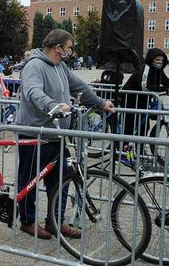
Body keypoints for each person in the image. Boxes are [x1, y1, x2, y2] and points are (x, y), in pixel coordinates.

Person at [16, 29, 114, 239]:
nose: (71, 51)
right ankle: (27, 221)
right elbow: (33, 92)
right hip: (35, 131)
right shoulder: (34, 65)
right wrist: (53, 106)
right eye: (69, 47)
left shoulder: (61, 67)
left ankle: (55, 221)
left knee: (62, 178)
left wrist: (100, 103)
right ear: (57, 47)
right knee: (29, 180)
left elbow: (79, 86)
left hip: (57, 133)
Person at [119, 48, 169, 159]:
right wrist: (166, 90)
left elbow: (166, 81)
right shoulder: (145, 68)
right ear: (151, 59)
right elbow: (145, 87)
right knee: (130, 127)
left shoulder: (159, 70)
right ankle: (123, 155)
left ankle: (140, 151)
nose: (159, 62)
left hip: (143, 101)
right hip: (130, 100)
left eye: (161, 60)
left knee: (144, 127)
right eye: (157, 60)